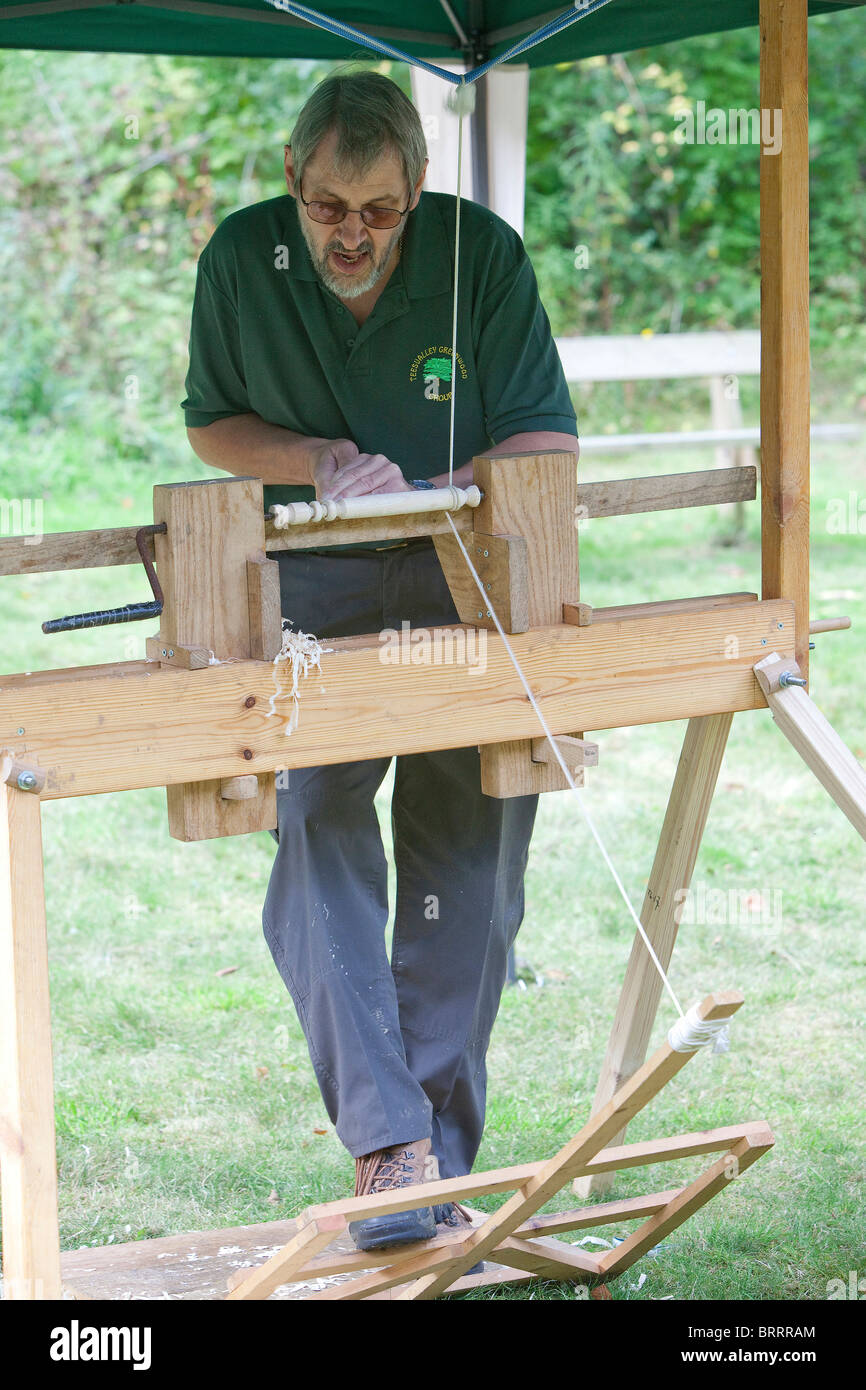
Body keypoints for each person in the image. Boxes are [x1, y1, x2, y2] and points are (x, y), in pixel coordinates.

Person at [182, 69, 579, 1253]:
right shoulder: (241, 259)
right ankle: (387, 1138)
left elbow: (545, 432)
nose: (352, 235)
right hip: (310, 578)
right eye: (328, 208)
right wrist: (317, 457)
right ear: (292, 185)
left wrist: (448, 490)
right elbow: (211, 420)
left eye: (380, 212)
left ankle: (432, 1169)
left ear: (417, 193)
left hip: (465, 562)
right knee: (313, 822)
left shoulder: (479, 256)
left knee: (473, 839)